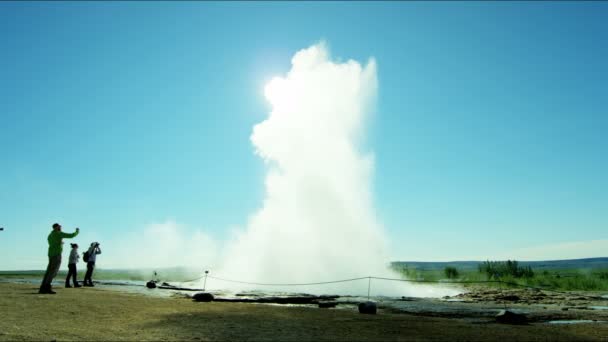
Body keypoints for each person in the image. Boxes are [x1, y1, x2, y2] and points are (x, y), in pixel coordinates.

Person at [39, 223, 79, 294]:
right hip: (56, 254)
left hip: (50, 254)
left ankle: (43, 288)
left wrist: (59, 243)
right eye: (59, 226)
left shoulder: (50, 235)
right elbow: (71, 235)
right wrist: (77, 231)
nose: (61, 227)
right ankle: (47, 287)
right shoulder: (58, 233)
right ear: (56, 227)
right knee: (53, 271)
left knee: (49, 271)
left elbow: (51, 242)